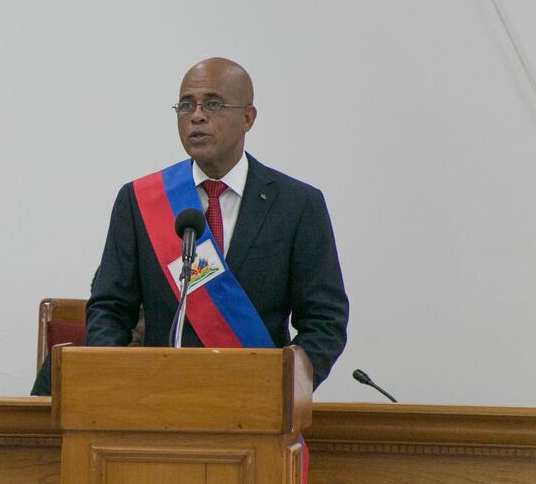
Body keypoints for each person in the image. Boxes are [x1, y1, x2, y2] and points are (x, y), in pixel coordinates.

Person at [32, 57, 347, 394]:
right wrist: (120, 383)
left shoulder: (297, 205)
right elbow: (109, 310)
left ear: (248, 118)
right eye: (186, 105)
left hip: (256, 400)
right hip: (155, 398)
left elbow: (324, 320)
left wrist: (286, 388)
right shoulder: (139, 201)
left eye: (213, 104)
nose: (196, 115)